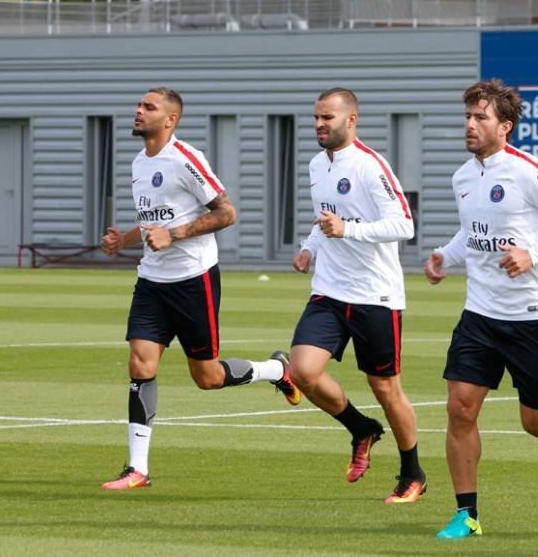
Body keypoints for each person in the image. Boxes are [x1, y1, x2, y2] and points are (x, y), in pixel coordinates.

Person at [425, 79, 538, 538]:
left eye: (480, 117)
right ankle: (467, 514)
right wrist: (445, 256)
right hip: (480, 314)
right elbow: (474, 233)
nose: (470, 124)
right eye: (467, 116)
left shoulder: (528, 171)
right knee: (460, 408)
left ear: (504, 126)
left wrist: (534, 254)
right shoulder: (462, 177)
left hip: (532, 314)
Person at [99, 87, 301, 490]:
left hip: (194, 280)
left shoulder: (185, 159)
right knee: (140, 364)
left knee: (207, 377)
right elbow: (154, 222)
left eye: (148, 107)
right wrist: (124, 239)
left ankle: (277, 369)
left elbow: (226, 212)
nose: (138, 111)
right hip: (151, 281)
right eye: (139, 105)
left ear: (170, 119)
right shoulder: (139, 161)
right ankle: (137, 469)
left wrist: (174, 235)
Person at [285, 87, 427, 503]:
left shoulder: (370, 166)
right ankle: (361, 428)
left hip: (375, 296)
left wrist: (349, 231)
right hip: (329, 291)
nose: (319, 125)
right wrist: (311, 246)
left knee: (386, 389)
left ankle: (413, 473)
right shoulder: (316, 164)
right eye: (315, 118)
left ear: (351, 120)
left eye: (327, 117)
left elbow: (404, 225)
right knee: (303, 371)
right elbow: (325, 216)